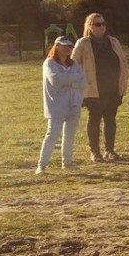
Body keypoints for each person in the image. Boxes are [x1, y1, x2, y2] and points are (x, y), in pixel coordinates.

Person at [71, 13, 129, 162]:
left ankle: (110, 150)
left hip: (113, 87)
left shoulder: (114, 41)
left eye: (103, 23)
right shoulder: (83, 43)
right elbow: (73, 65)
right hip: (93, 88)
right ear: (90, 26)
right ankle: (94, 152)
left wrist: (123, 82)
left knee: (111, 119)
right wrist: (79, 86)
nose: (102, 26)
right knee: (94, 119)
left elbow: (123, 61)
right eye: (97, 24)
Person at [35, 37, 86, 174]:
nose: (67, 49)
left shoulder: (75, 65)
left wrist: (69, 80)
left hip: (74, 103)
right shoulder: (49, 63)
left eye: (70, 46)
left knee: (69, 135)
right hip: (56, 105)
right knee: (52, 134)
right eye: (64, 46)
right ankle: (42, 165)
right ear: (57, 46)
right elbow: (55, 80)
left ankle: (67, 162)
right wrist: (73, 79)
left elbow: (83, 82)